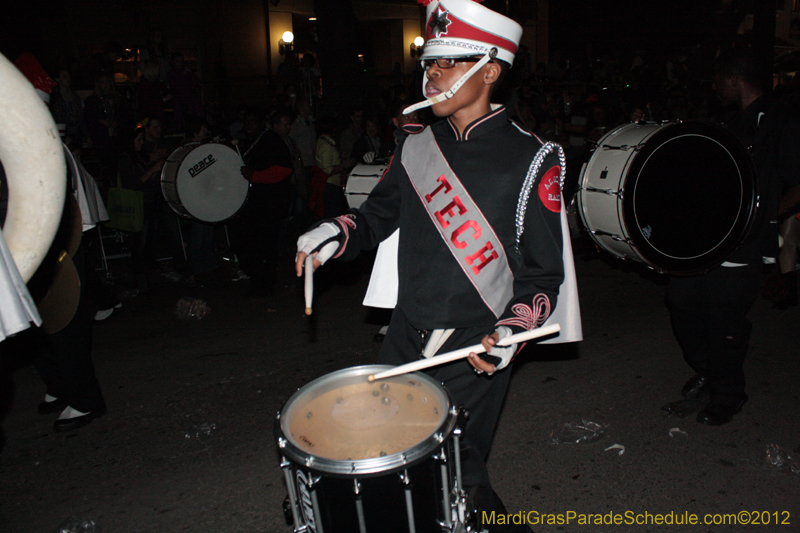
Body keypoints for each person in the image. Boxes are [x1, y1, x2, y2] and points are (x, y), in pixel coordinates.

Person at [295, 1, 580, 530]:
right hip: (405, 328)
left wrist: (512, 332)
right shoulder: (415, 141)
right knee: (393, 454)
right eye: (429, 64)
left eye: (447, 63)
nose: (432, 75)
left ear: (489, 70)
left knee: (459, 466)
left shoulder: (533, 157)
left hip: (476, 342)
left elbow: (542, 274)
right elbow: (379, 214)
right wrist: (336, 233)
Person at [662, 46, 800, 425]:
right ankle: (707, 369)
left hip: (744, 244)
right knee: (683, 305)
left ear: (735, 79)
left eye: (718, 78)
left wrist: (764, 217)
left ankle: (728, 394)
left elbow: (798, 183)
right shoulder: (730, 122)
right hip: (705, 242)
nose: (714, 86)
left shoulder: (782, 122)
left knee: (725, 323)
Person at [229, 109, 294, 295]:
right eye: (246, 122)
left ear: (261, 123)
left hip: (269, 204)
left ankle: (264, 284)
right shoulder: (246, 141)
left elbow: (284, 169)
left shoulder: (272, 141)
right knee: (246, 242)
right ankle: (257, 279)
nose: (248, 126)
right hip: (251, 204)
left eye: (252, 122)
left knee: (265, 246)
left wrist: (256, 176)